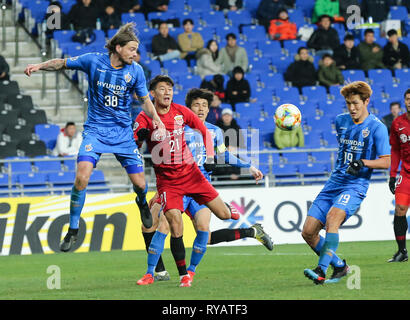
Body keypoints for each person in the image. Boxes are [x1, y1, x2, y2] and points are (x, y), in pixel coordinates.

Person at [24, 23, 165, 250]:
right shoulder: (93, 61)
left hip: (122, 135)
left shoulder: (136, 71)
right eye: (131, 49)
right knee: (82, 178)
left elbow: (144, 101)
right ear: (118, 48)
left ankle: (141, 202)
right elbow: (62, 63)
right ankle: (72, 229)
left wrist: (156, 118)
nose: (135, 54)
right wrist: (39, 66)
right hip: (95, 132)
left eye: (136, 50)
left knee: (140, 184)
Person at [140, 88, 269, 283]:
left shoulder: (214, 131)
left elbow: (224, 155)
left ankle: (189, 273)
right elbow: (163, 160)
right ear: (188, 108)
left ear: (209, 110)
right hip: (177, 185)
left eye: (205, 106)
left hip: (200, 186)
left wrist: (248, 166)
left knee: (204, 231)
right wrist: (161, 190)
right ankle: (152, 272)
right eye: (196, 105)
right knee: (164, 224)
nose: (201, 109)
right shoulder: (177, 128)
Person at [302, 81, 390, 284]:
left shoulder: (377, 128)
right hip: (334, 183)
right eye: (349, 103)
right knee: (308, 232)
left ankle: (321, 270)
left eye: (356, 103)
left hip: (355, 185)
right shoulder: (340, 121)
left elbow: (387, 161)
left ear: (367, 101)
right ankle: (340, 267)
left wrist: (363, 163)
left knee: (333, 218)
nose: (352, 108)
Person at [388, 89, 410, 263]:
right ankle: (402, 251)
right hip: (406, 173)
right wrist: (392, 175)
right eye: (408, 99)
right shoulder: (397, 123)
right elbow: (395, 150)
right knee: (400, 209)